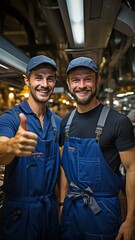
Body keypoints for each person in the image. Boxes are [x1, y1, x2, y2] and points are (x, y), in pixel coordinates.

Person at [59, 56, 135, 240]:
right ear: (69, 84)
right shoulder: (65, 123)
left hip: (103, 211)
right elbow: (64, 168)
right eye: (76, 80)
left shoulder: (118, 122)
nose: (82, 85)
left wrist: (131, 219)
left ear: (97, 80)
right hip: (71, 209)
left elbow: (132, 169)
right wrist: (61, 204)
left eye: (87, 79)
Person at [0, 55, 62, 240]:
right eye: (38, 77)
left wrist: (61, 205)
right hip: (19, 213)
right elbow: (2, 149)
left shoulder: (57, 122)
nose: (44, 84)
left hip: (49, 210)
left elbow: (60, 168)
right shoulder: (11, 118)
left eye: (50, 78)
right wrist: (11, 146)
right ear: (27, 80)